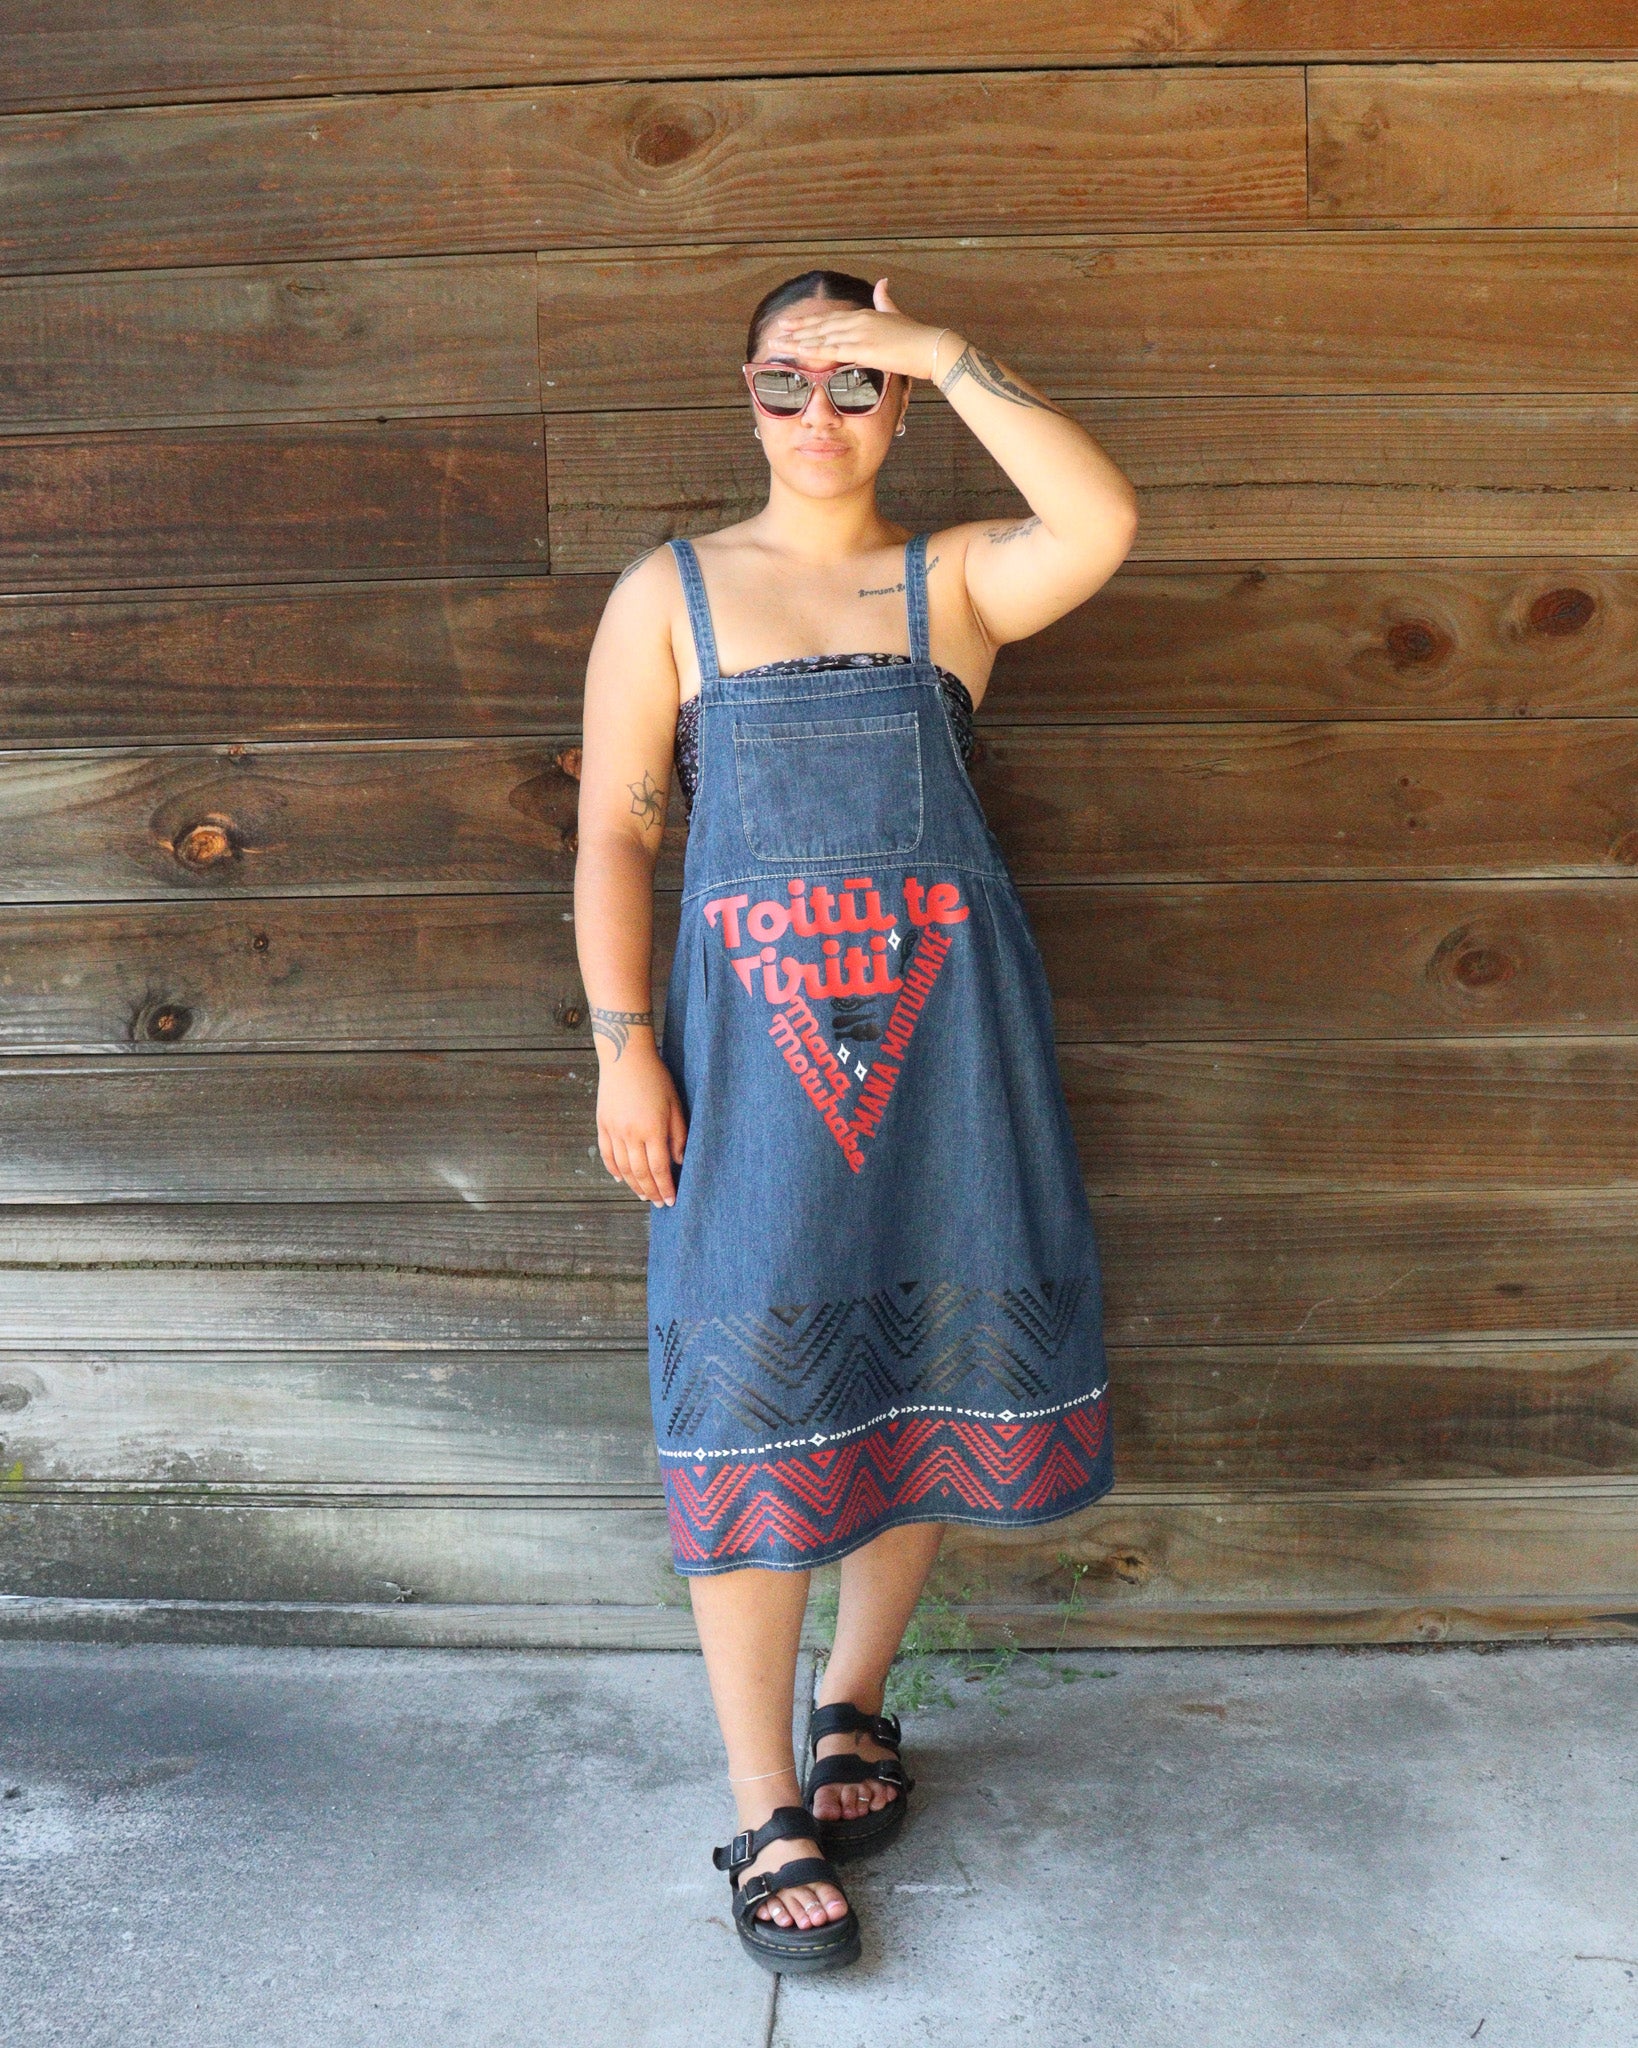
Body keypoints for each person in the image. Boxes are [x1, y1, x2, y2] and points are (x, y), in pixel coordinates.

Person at [574, 269, 1139, 1973]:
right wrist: (622, 1049)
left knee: (919, 1376)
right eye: (783, 381)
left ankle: (852, 1705)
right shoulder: (672, 591)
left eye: (852, 383)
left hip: (949, 1050)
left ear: (895, 403)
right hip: (745, 1060)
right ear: (739, 397)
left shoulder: (947, 582)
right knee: (748, 1393)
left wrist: (944, 350)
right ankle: (762, 1805)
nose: (815, 415)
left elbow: (1098, 518)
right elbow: (614, 831)